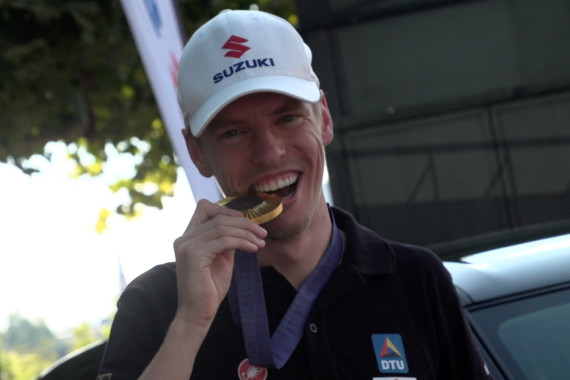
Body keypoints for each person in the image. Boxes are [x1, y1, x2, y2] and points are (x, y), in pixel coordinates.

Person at [98, 9, 493, 380]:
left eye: (287, 118)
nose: (269, 153)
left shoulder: (415, 279)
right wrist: (190, 324)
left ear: (323, 118)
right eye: (233, 133)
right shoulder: (156, 303)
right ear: (197, 153)